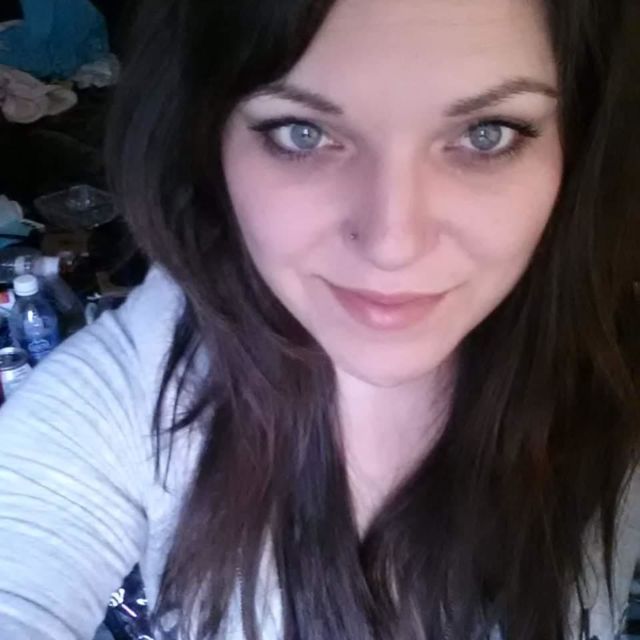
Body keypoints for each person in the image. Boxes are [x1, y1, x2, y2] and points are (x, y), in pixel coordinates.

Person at [0, 0, 639, 638]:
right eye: (301, 133)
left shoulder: (618, 373)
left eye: (486, 134)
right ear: (205, 139)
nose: (393, 243)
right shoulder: (133, 390)